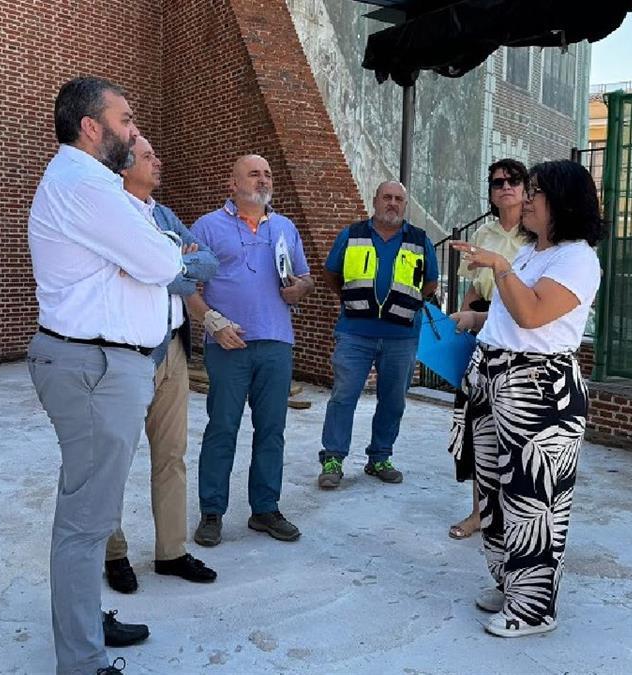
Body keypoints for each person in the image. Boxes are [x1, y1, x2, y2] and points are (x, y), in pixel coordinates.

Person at [26, 76, 182, 675]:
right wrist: (151, 255)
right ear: (91, 127)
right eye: (125, 120)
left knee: (89, 513)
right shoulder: (87, 184)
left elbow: (150, 260)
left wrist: (145, 257)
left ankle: (86, 622)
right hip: (93, 365)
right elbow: (164, 260)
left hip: (101, 363)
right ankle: (83, 663)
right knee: (85, 523)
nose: (134, 130)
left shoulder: (91, 184)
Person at [447, 159, 605, 638]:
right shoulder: (532, 253)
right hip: (496, 379)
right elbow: (508, 315)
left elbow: (534, 315)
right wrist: (476, 321)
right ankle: (510, 583)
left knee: (534, 499)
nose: (527, 198)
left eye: (536, 191)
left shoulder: (577, 258)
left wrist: (498, 265)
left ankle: (534, 608)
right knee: (495, 492)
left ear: (563, 202)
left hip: (540, 392)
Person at [103, 136, 219, 593]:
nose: (159, 161)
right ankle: (113, 552)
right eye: (149, 156)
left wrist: (158, 267)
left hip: (173, 348)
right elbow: (126, 271)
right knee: (114, 459)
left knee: (171, 456)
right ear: (124, 165)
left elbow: (208, 263)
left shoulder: (165, 215)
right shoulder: (111, 212)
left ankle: (171, 551)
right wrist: (177, 263)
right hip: (128, 353)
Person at [186, 154, 315, 547]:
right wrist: (211, 323)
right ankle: (212, 511)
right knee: (223, 427)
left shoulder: (285, 227)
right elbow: (187, 285)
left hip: (276, 341)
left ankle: (265, 509)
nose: (263, 180)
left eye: (267, 174)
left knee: (272, 430)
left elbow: (305, 277)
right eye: (254, 173)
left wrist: (300, 288)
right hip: (229, 343)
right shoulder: (207, 227)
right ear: (232, 182)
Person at [316, 180, 438, 488]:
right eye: (387, 197)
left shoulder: (420, 240)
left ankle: (380, 456)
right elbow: (331, 273)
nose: (392, 203)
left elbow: (431, 284)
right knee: (343, 396)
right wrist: (353, 300)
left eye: (399, 199)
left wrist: (406, 305)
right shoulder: (352, 235)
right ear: (376, 200)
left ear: (404, 205)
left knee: (393, 400)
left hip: (402, 335)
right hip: (355, 332)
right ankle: (333, 458)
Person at [448, 159, 531, 540]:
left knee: (517, 439)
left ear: (527, 188)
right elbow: (477, 289)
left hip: (521, 345)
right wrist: (465, 313)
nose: (505, 187)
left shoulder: (538, 238)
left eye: (513, 180)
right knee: (477, 431)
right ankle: (479, 511)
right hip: (483, 341)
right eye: (497, 181)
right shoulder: (485, 232)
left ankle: (516, 518)